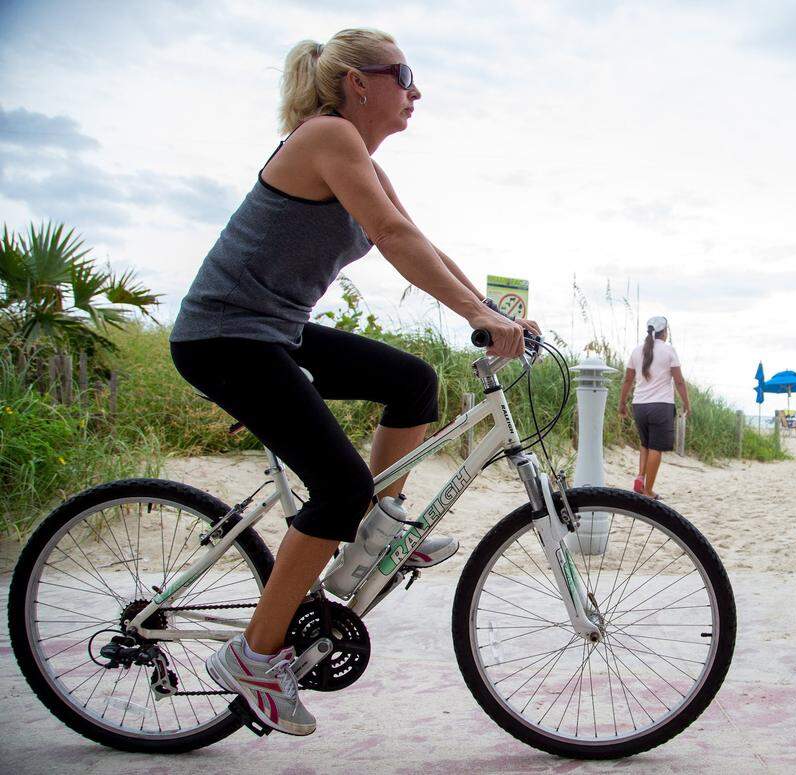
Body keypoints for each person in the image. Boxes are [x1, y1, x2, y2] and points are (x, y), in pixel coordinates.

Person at [168, 28, 538, 736]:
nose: (416, 91)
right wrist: (478, 315)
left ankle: (378, 527)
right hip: (224, 334)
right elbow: (392, 239)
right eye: (405, 74)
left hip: (273, 330)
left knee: (413, 381)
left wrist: (496, 313)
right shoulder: (326, 136)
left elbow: (413, 233)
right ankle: (253, 655)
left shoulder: (355, 152)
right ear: (357, 83)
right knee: (337, 483)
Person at [618, 316, 691, 500]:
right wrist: (686, 403)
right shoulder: (668, 351)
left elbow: (627, 379)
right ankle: (648, 491)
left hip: (639, 406)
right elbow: (679, 381)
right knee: (656, 448)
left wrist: (622, 403)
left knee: (645, 444)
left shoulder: (636, 351)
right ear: (664, 331)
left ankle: (640, 478)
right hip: (661, 406)